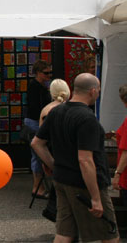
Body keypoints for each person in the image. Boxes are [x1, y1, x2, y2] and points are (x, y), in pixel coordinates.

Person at [32, 73, 119, 243]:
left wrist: (54, 165)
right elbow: (85, 160)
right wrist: (95, 197)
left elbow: (36, 143)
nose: (99, 93)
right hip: (84, 184)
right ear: (93, 91)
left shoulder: (56, 112)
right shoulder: (87, 119)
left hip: (62, 179)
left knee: (65, 233)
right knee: (109, 234)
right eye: (99, 90)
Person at [25, 60, 53, 198]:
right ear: (37, 73)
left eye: (50, 73)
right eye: (46, 73)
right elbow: (35, 108)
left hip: (38, 121)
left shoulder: (42, 85)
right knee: (37, 154)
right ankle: (37, 187)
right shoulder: (35, 87)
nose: (49, 75)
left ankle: (39, 186)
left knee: (39, 154)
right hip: (36, 122)